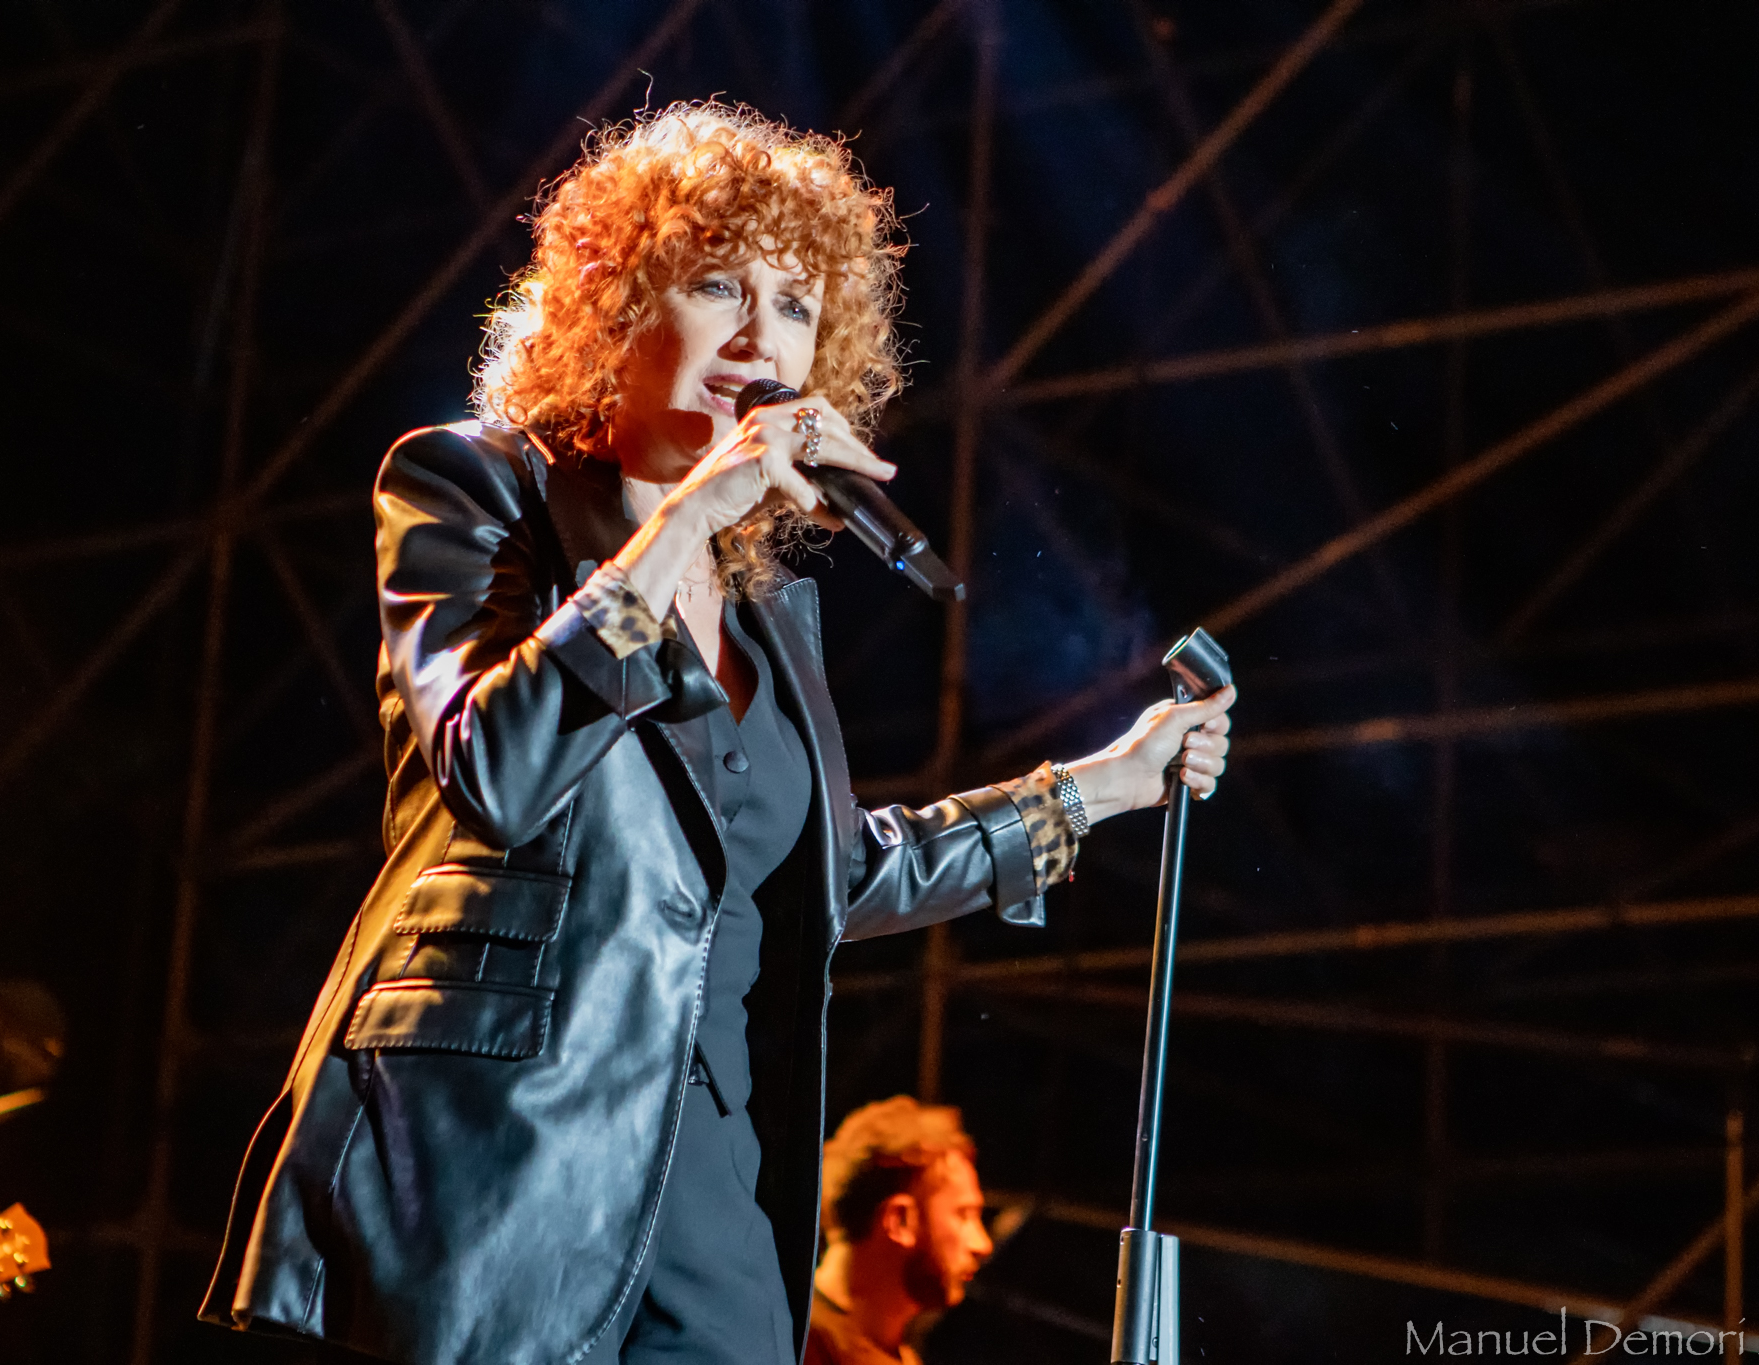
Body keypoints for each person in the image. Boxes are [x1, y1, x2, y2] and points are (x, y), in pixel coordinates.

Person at [199, 102, 1233, 1365]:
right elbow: (494, 770)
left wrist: (1099, 787)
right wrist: (684, 518)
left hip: (718, 1185)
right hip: (504, 1156)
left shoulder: (767, 620)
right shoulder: (473, 490)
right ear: (615, 307)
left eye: (793, 306)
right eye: (716, 287)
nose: (759, 339)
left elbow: (837, 875)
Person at [808, 1098, 992, 1365]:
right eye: (964, 1215)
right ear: (899, 1220)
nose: (983, 1244)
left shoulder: (897, 1355)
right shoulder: (793, 1346)